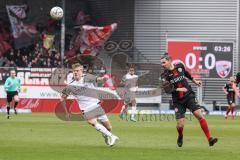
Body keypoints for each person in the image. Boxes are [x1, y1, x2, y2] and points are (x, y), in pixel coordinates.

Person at [160, 55, 218, 147]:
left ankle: (209, 139)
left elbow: (186, 73)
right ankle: (180, 135)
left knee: (199, 115)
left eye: (164, 62)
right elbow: (167, 90)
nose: (162, 65)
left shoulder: (179, 66)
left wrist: (195, 81)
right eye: (161, 63)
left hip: (189, 96)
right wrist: (179, 90)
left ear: (170, 61)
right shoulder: (164, 75)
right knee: (180, 125)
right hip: (177, 101)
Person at [60, 63, 119, 146]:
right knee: (92, 122)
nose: (76, 72)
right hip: (85, 108)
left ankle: (106, 135)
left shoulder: (87, 77)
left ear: (81, 71)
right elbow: (62, 98)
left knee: (109, 128)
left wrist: (104, 79)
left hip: (96, 104)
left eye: (77, 71)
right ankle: (112, 137)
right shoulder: (70, 85)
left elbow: (99, 79)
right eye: (74, 71)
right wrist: (66, 113)